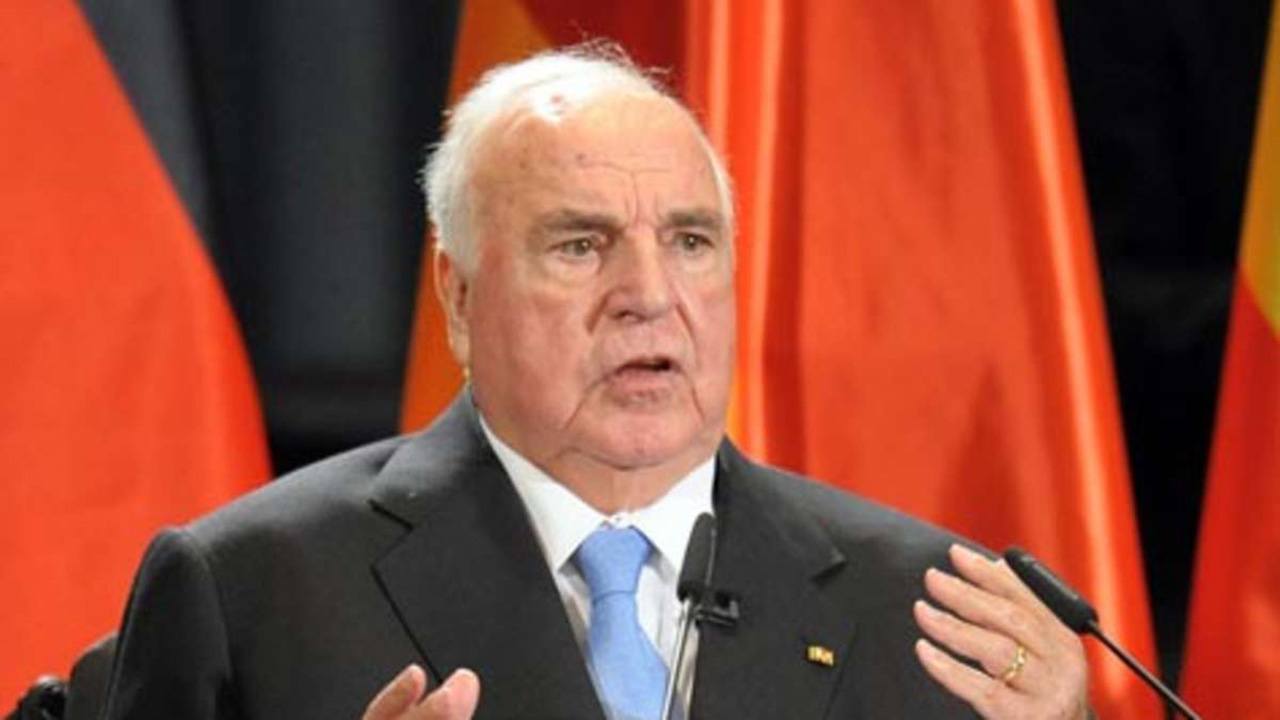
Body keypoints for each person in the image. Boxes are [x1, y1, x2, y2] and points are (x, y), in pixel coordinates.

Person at [102, 44, 1089, 720]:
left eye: (690, 242)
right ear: (458, 296)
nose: (650, 296)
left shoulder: (932, 615)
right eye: (580, 245)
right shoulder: (251, 591)